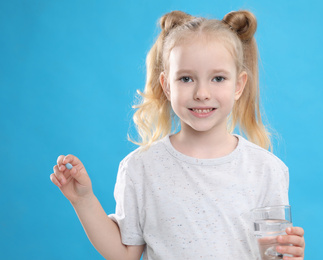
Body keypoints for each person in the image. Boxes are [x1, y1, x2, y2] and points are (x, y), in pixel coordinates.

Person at [50, 10, 305, 260]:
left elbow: (275, 255)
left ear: (238, 85)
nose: (202, 93)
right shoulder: (141, 168)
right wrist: (83, 200)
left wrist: (288, 256)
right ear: (166, 85)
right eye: (186, 78)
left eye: (218, 78)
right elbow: (124, 254)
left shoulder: (266, 170)